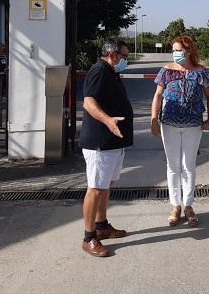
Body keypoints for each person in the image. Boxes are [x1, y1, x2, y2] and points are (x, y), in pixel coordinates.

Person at [151, 36, 209, 227]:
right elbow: (157, 96)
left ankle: (188, 205)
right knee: (173, 166)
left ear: (189, 51)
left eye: (179, 50)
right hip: (169, 124)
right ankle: (175, 205)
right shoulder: (166, 71)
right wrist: (153, 120)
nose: (176, 53)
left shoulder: (201, 72)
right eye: (174, 50)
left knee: (189, 165)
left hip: (193, 125)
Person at [79, 40, 133, 257]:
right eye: (124, 56)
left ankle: (102, 226)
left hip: (112, 143)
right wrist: (108, 121)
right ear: (112, 54)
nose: (125, 60)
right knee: (95, 187)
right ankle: (88, 237)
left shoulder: (110, 71)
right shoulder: (99, 71)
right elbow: (89, 102)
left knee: (105, 185)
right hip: (100, 142)